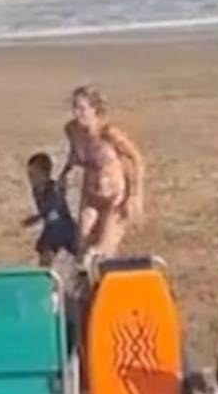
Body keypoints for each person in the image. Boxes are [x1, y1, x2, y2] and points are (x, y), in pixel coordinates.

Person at [58, 86, 145, 267]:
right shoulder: (72, 130)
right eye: (74, 108)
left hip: (114, 199)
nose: (76, 113)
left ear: (95, 110)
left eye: (82, 108)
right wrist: (64, 174)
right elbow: (75, 155)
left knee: (101, 252)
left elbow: (136, 159)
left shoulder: (109, 133)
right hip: (90, 196)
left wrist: (135, 195)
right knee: (82, 248)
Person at [23, 152, 77, 268]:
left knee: (78, 253)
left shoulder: (53, 189)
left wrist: (37, 217)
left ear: (45, 174)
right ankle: (44, 275)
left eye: (33, 175)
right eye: (29, 176)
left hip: (64, 226)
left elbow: (55, 208)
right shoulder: (36, 191)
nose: (31, 180)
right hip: (52, 227)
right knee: (44, 253)